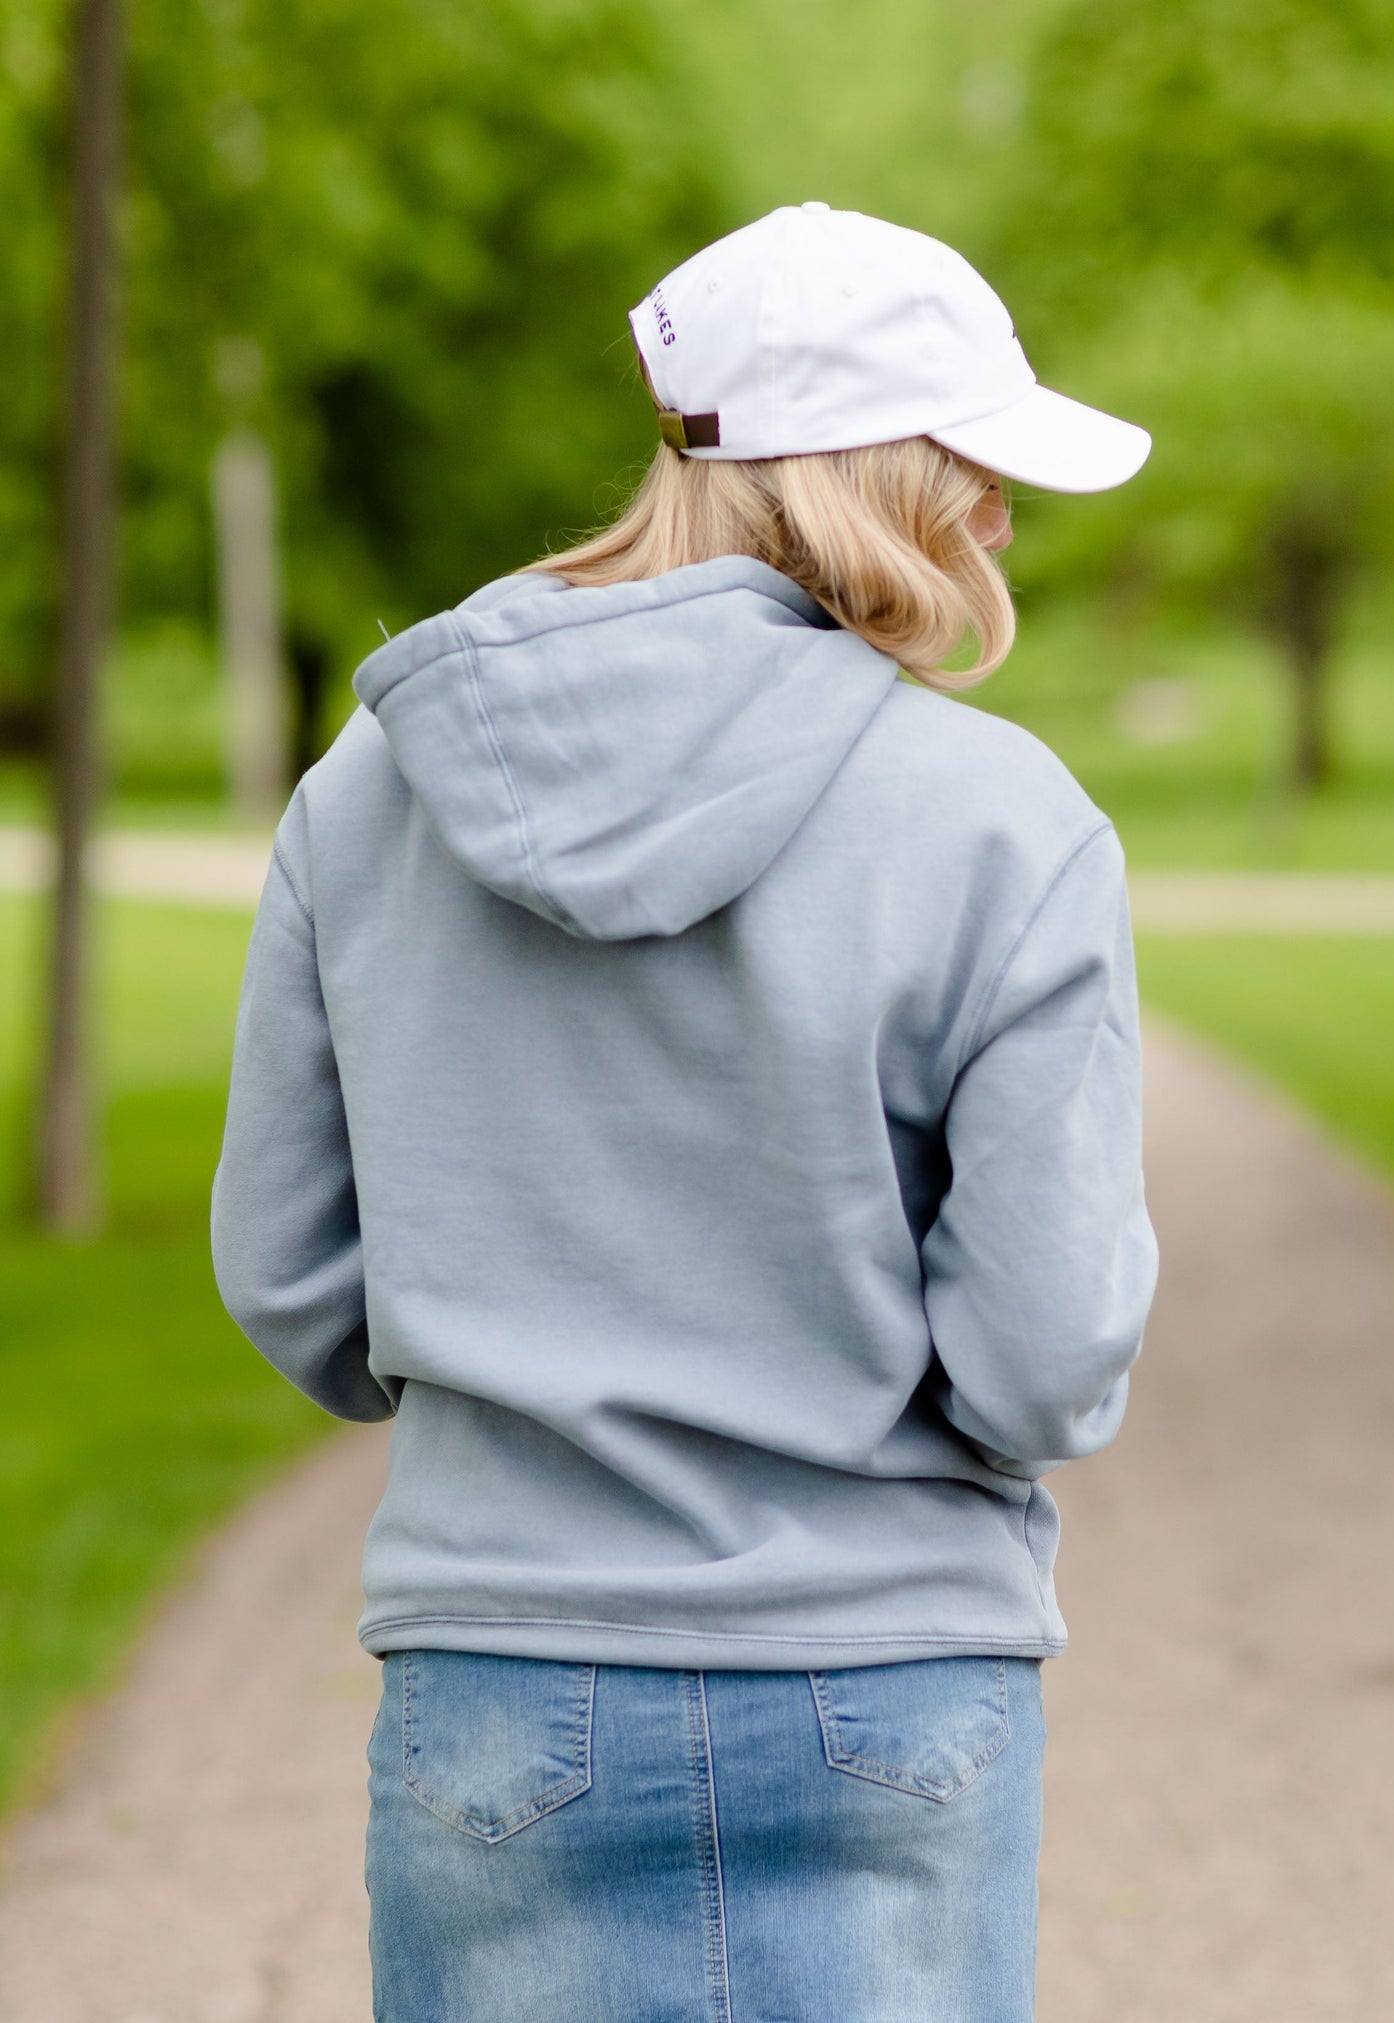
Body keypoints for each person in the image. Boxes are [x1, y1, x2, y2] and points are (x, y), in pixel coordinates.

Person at [211, 203, 1160, 2022]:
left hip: (501, 1668)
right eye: (978, 473)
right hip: (883, 1676)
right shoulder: (998, 818)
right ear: (887, 477)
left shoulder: (366, 797)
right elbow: (1044, 1360)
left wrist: (526, 1388)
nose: (1001, 524)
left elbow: (287, 1275)